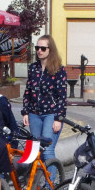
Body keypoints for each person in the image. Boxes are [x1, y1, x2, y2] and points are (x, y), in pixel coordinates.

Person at [21, 35, 67, 181]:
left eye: (43, 48)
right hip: (35, 114)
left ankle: (50, 188)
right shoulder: (33, 68)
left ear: (50, 49)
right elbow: (28, 91)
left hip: (51, 114)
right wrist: (26, 111)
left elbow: (62, 96)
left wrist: (58, 118)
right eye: (37, 48)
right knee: (36, 150)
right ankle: (36, 186)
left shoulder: (58, 69)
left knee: (47, 150)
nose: (39, 51)